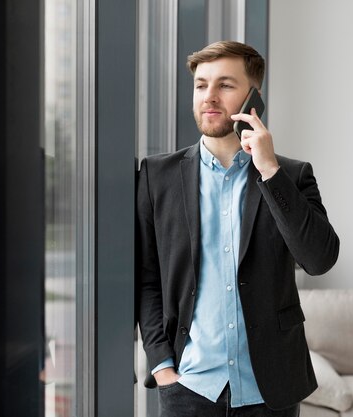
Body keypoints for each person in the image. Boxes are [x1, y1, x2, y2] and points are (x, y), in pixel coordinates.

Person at [137, 41, 340, 416]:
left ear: (253, 98)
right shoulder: (156, 176)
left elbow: (319, 259)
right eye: (201, 85)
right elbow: (148, 278)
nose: (209, 97)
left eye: (225, 85)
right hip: (189, 387)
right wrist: (161, 365)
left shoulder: (291, 176)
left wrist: (269, 171)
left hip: (271, 389)